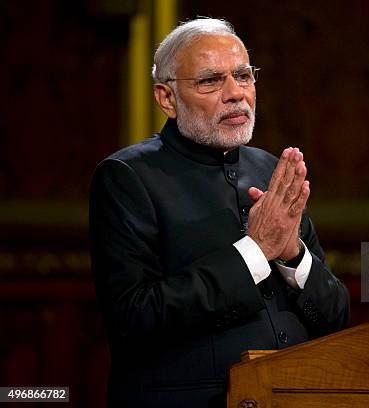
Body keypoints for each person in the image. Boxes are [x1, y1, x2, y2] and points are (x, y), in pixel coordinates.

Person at [89, 18, 350, 408]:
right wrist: (255, 252)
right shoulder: (128, 177)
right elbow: (134, 319)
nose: (236, 94)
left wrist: (293, 256)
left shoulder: (270, 171)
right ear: (167, 98)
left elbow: (335, 316)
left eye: (243, 75)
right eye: (211, 81)